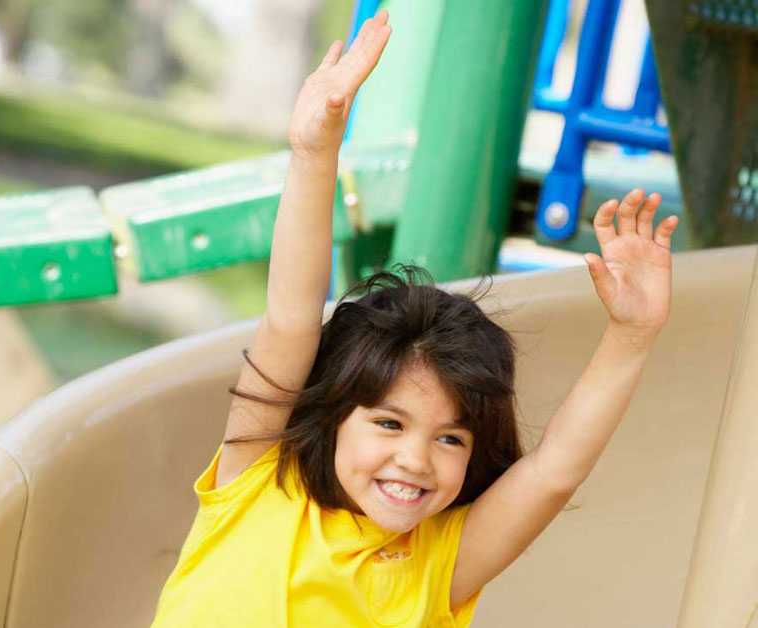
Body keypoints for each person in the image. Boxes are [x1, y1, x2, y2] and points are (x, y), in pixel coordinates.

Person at [151, 10, 679, 627]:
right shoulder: (261, 481)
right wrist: (314, 153)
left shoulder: (439, 564)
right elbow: (292, 319)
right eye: (389, 423)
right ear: (333, 418)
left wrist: (632, 334)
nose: (416, 459)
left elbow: (553, 472)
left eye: (450, 437)